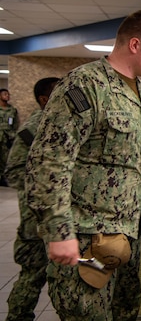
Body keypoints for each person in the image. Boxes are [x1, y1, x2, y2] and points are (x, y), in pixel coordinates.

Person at [25, 10, 141, 320]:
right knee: (87, 313)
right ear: (135, 44)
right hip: (86, 236)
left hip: (127, 237)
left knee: (125, 311)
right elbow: (48, 162)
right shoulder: (85, 86)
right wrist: (58, 231)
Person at [5, 77, 60, 321]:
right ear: (44, 100)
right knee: (33, 274)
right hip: (36, 217)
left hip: (61, 216)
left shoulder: (62, 124)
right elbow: (14, 172)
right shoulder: (34, 127)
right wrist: (46, 191)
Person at [0, 88, 19, 186]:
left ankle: (3, 179)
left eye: (8, 94)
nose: (7, 96)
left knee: (6, 159)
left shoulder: (12, 110)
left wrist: (13, 135)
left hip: (7, 138)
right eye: (5, 94)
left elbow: (15, 124)